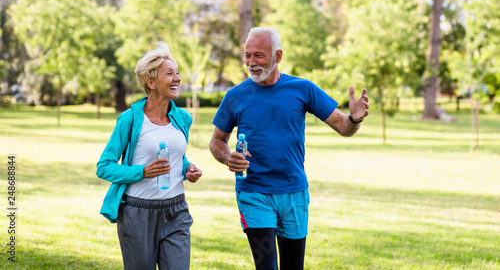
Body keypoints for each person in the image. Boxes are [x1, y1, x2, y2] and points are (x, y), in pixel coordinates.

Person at [209, 27, 369, 270]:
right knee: (267, 267)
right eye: (247, 55)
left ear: (278, 56)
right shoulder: (235, 95)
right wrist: (228, 157)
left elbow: (343, 127)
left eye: (259, 56)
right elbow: (216, 141)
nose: (251, 63)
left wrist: (355, 118)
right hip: (254, 192)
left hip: (294, 192)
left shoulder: (303, 89)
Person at [97, 42, 202, 270]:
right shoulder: (130, 119)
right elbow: (104, 166)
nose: (177, 78)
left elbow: (177, 157)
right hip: (137, 213)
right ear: (151, 82)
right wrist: (142, 172)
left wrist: (187, 168)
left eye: (177, 72)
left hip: (176, 210)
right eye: (169, 73)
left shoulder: (182, 118)